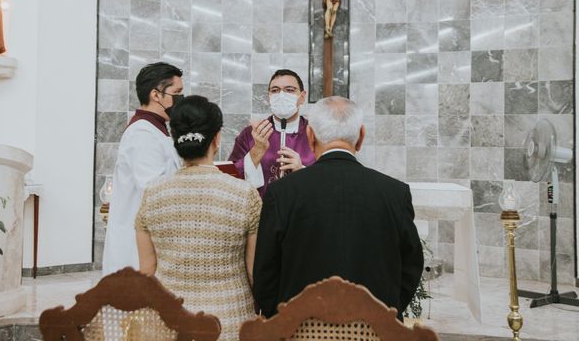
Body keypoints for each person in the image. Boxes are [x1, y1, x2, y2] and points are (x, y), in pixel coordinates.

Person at [253, 96, 424, 319]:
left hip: (299, 329)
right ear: (361, 136)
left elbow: (265, 273)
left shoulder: (281, 193)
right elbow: (411, 266)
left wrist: (284, 320)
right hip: (376, 329)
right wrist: (386, 313)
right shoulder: (394, 193)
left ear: (310, 136)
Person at [135, 95, 262, 341]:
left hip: (168, 325)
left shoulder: (153, 194)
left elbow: (147, 272)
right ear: (217, 138)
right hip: (230, 325)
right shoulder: (244, 194)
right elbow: (254, 272)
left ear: (175, 140)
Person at [102, 62, 184, 275]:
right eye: (177, 93)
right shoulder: (142, 133)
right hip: (136, 244)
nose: (180, 100)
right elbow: (152, 188)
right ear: (156, 95)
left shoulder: (156, 129)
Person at [228, 69, 316, 197]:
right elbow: (232, 178)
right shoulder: (250, 134)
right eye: (275, 90)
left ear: (302, 97)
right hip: (262, 211)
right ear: (268, 97)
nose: (281, 95)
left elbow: (329, 177)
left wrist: (302, 172)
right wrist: (256, 152)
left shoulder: (316, 134)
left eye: (289, 90)